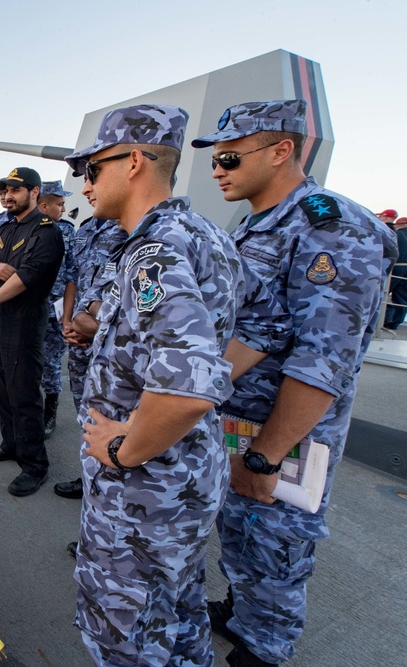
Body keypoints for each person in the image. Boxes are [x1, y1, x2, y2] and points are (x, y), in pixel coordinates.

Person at [64, 103, 292, 667]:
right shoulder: (205, 235)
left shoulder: (155, 251)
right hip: (186, 472)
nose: (85, 184)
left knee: (130, 635)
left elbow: (188, 388)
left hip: (146, 489)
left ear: (135, 161)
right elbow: (267, 323)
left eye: (93, 170)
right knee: (175, 616)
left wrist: (123, 448)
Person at [192, 99, 398, 667]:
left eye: (231, 156)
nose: (218, 169)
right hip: (239, 418)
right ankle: (242, 612)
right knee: (242, 534)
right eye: (216, 157)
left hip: (284, 437)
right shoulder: (259, 221)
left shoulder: (334, 227)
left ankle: (265, 646)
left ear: (282, 150)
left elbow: (322, 362)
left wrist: (266, 456)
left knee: (277, 547)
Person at [0, 167, 63, 497]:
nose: (7, 196)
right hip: (0, 322)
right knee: (2, 387)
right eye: (3, 191)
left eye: (15, 190)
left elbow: (25, 278)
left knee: (24, 394)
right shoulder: (4, 230)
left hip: (25, 322)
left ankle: (35, 464)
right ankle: (11, 444)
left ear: (34, 192)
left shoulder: (47, 232)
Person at [52, 215, 127, 551]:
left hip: (110, 348)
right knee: (85, 412)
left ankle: (107, 530)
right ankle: (89, 478)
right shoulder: (87, 230)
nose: (87, 188)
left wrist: (90, 330)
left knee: (113, 428)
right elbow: (74, 278)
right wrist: (69, 322)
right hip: (83, 336)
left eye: (94, 174)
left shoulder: (132, 230)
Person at [37, 180, 76, 439]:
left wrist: (68, 314)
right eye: (60, 204)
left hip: (56, 309)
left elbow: (74, 272)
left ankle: (49, 412)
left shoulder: (68, 232)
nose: (63, 208)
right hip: (31, 307)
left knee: (51, 363)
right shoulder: (27, 228)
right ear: (44, 205)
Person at [383, 216, 407, 330]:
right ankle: (394, 322)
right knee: (401, 297)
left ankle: (384, 319)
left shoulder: (398, 235)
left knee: (383, 292)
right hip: (404, 269)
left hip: (396, 267)